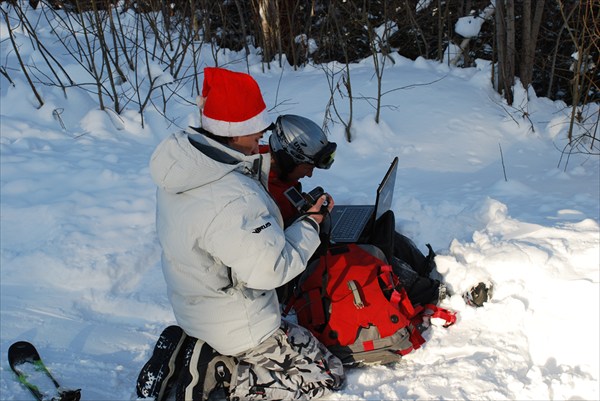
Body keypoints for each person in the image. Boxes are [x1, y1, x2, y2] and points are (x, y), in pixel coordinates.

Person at [137, 67, 344, 401]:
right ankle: (218, 382)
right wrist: (311, 224)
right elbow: (272, 270)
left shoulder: (187, 166)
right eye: (255, 134)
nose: (261, 141)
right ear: (234, 133)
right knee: (326, 375)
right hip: (242, 327)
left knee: (305, 346)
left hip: (197, 307)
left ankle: (191, 349)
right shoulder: (231, 196)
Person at [262, 114, 448, 307]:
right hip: (292, 267)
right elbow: (274, 250)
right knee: (363, 254)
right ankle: (431, 294)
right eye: (307, 167)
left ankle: (432, 268)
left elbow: (288, 205)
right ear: (288, 158)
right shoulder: (259, 189)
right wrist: (309, 222)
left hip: (306, 236)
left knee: (373, 227)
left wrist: (311, 208)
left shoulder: (277, 168)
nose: (309, 174)